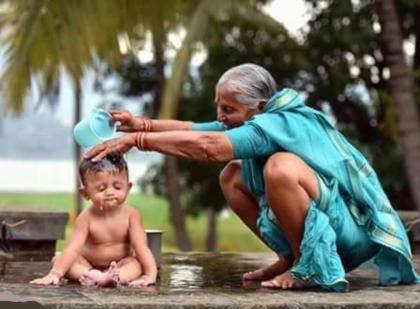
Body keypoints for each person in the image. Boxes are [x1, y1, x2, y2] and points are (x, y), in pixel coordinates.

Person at [85, 63, 419, 291]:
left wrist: (138, 142)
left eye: (227, 109)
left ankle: (308, 266)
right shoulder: (254, 120)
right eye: (220, 106)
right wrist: (140, 124)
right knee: (233, 174)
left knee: (280, 167)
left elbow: (207, 147)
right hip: (332, 225)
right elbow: (197, 129)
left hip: (350, 233)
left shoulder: (274, 125)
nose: (221, 116)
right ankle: (288, 258)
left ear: (259, 107)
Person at [30, 153, 157, 287]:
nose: (110, 192)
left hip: (120, 264)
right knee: (58, 259)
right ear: (85, 193)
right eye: (101, 189)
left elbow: (140, 246)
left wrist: (150, 274)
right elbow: (73, 249)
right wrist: (55, 274)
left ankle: (114, 277)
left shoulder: (132, 215)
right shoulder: (85, 218)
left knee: (135, 264)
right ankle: (96, 276)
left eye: (117, 187)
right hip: (87, 265)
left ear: (128, 188)